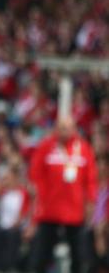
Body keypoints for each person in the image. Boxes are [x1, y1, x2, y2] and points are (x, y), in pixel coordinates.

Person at [26, 115, 98, 273]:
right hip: (49, 211)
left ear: (74, 129)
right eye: (60, 127)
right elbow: (35, 174)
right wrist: (38, 196)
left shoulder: (84, 149)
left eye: (67, 127)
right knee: (39, 258)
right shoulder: (46, 146)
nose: (63, 131)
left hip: (75, 213)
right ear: (56, 129)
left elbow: (91, 179)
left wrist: (91, 202)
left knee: (79, 258)